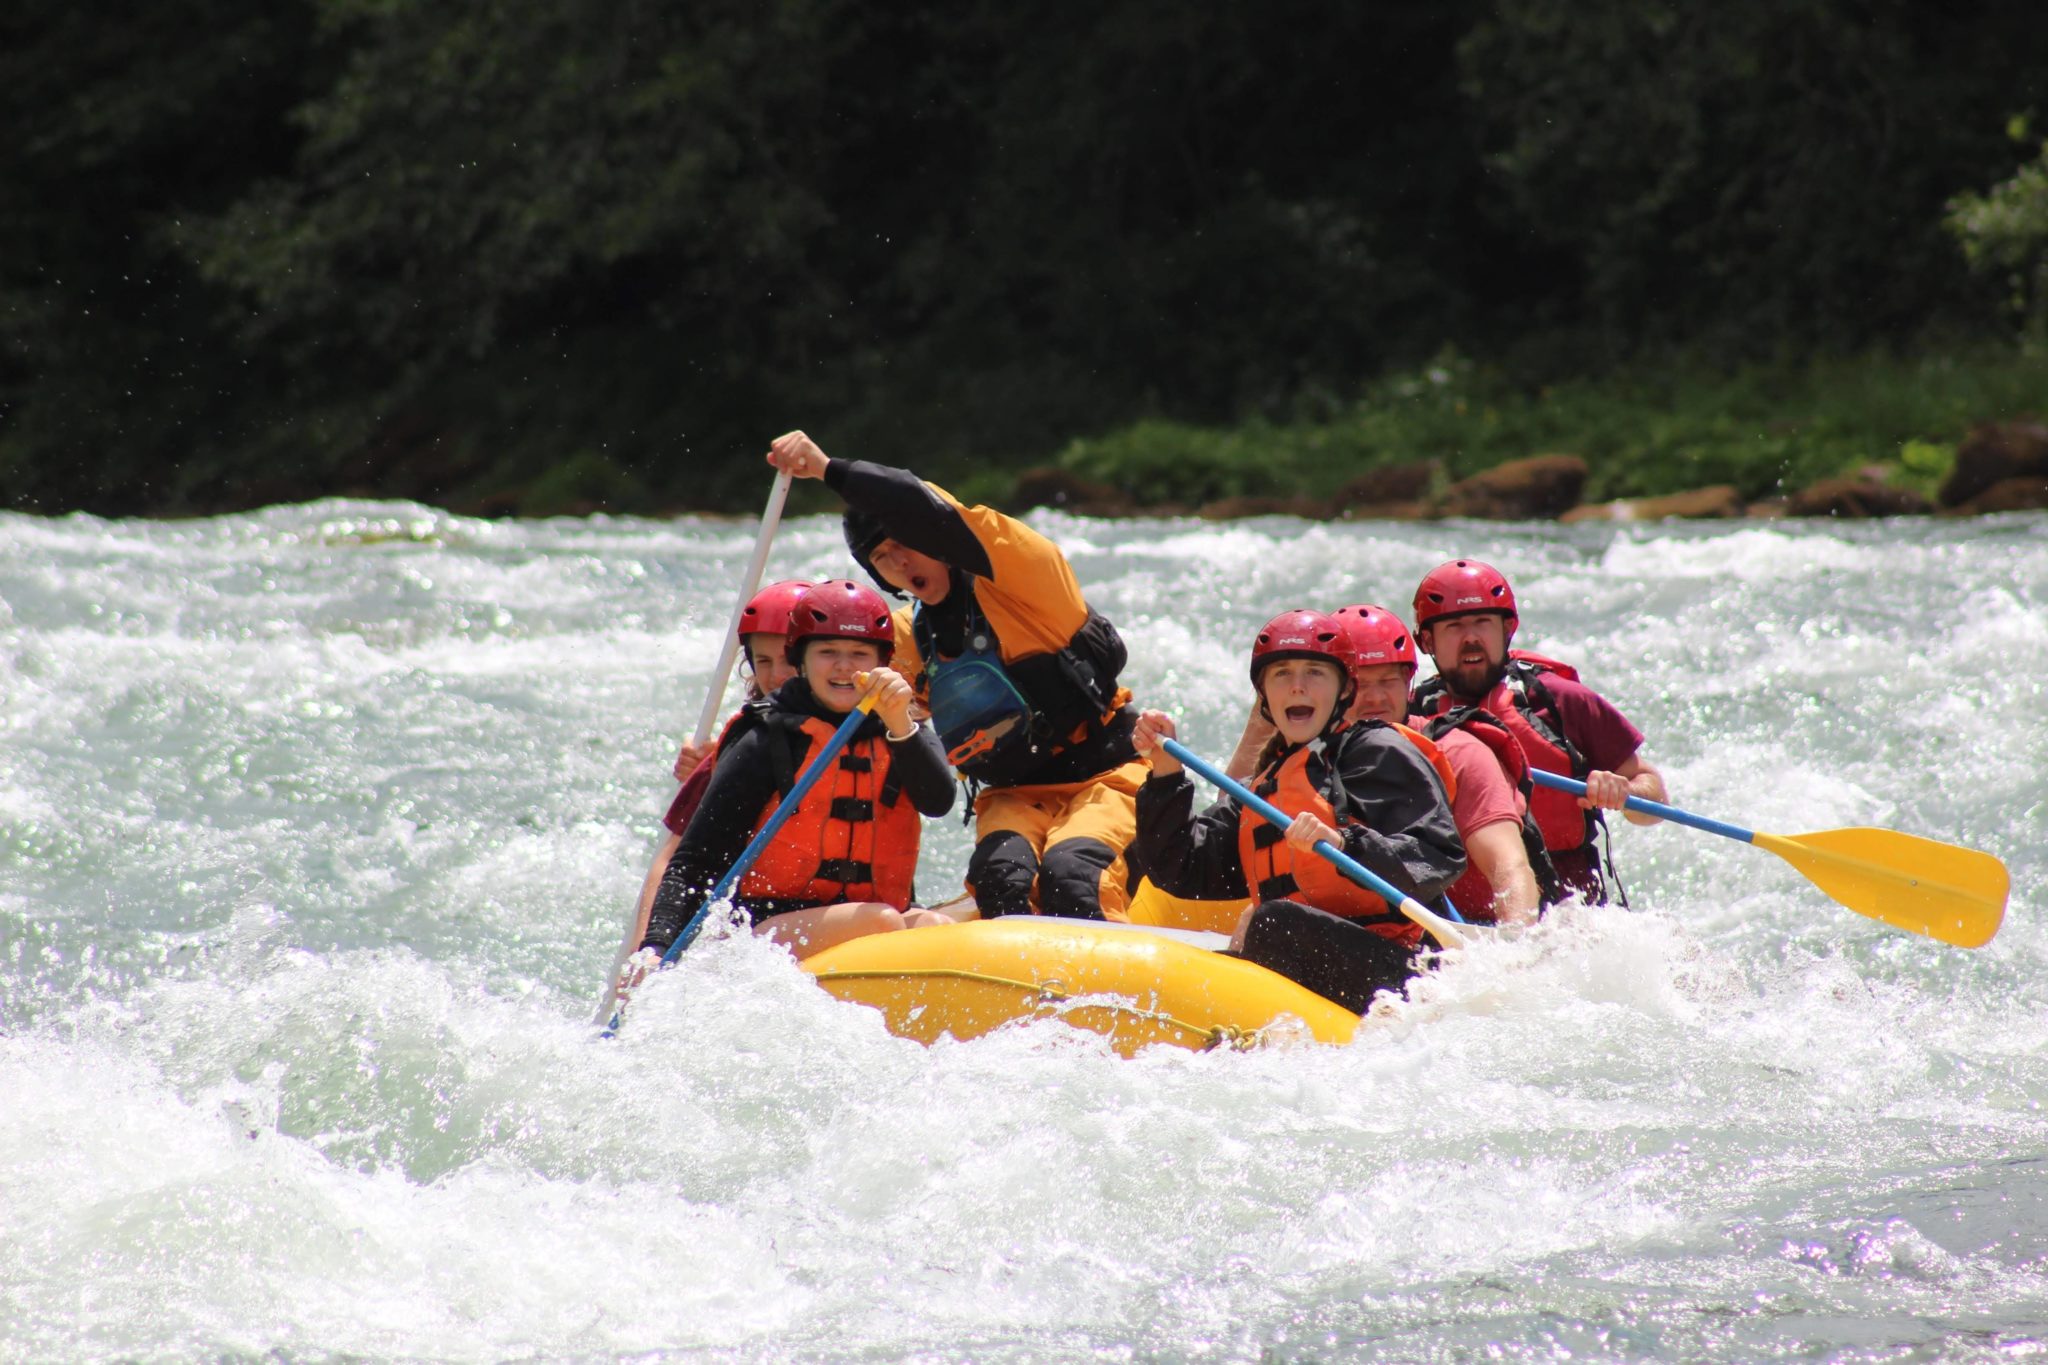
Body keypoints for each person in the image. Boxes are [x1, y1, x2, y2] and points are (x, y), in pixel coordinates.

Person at [763, 430, 1147, 922]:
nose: (901, 562)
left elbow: (928, 508)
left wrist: (827, 470)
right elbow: (820, 681)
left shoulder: (1022, 577)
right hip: (1013, 797)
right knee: (999, 882)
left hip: (1111, 780)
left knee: (1071, 877)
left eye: (908, 544)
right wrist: (731, 745)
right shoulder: (904, 640)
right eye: (883, 557)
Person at [618, 580, 957, 994]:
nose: (844, 667)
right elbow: (695, 860)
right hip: (762, 927)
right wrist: (655, 947)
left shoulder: (904, 726)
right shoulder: (765, 737)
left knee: (934, 926)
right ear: (801, 660)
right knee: (881, 921)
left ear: (882, 661)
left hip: (868, 915)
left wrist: (900, 723)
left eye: (859, 655)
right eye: (827, 653)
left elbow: (937, 801)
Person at [1130, 610, 1466, 1014]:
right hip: (1307, 957)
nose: (1297, 687)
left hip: (1398, 970)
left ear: (1344, 691)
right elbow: (1180, 868)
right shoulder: (1267, 784)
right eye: (1282, 675)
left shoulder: (1376, 751)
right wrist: (1166, 777)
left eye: (1314, 673)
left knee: (1274, 922)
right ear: (1265, 697)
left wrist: (1344, 844)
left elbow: (1437, 855)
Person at [1408, 559, 1666, 903]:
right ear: (1427, 641)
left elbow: (1655, 800)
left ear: (1507, 630)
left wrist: (1626, 793)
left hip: (1565, 906)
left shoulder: (1561, 700)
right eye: (1453, 626)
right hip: (1454, 910)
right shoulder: (1410, 716)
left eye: (1483, 623)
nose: (1471, 638)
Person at [1333, 602, 1550, 926]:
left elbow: (1509, 867)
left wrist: (1515, 950)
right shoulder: (1312, 758)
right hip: (1360, 931)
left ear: (1409, 684)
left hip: (1460, 936)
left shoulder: (1458, 752)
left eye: (1388, 681)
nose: (1376, 698)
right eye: (1361, 685)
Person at [626, 579, 812, 935]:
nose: (775, 675)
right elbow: (673, 859)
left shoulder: (872, 732)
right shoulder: (745, 743)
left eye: (788, 660)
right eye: (763, 661)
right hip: (762, 924)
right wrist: (646, 947)